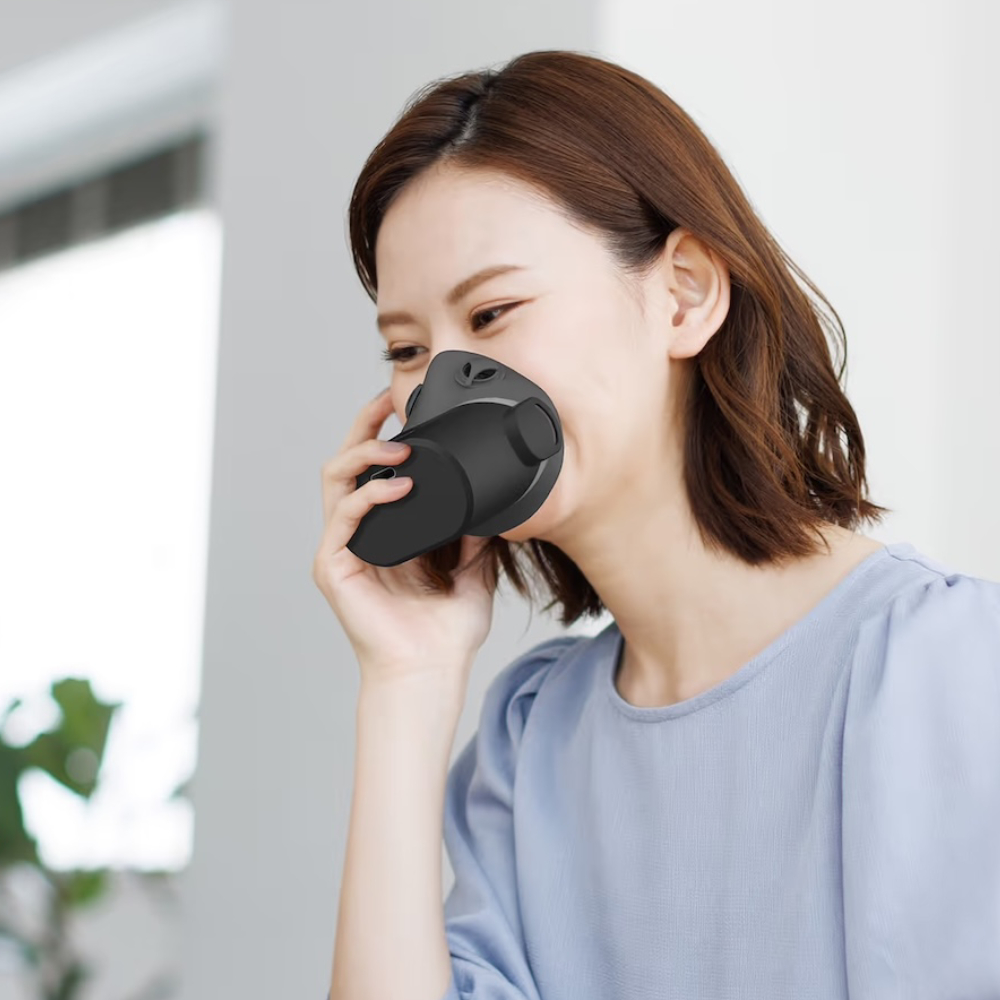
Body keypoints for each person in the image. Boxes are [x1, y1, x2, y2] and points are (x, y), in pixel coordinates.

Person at [313, 49, 1000, 1000]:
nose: (441, 390)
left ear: (685, 293)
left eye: (494, 312)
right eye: (406, 348)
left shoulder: (948, 665)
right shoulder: (530, 740)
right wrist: (406, 681)